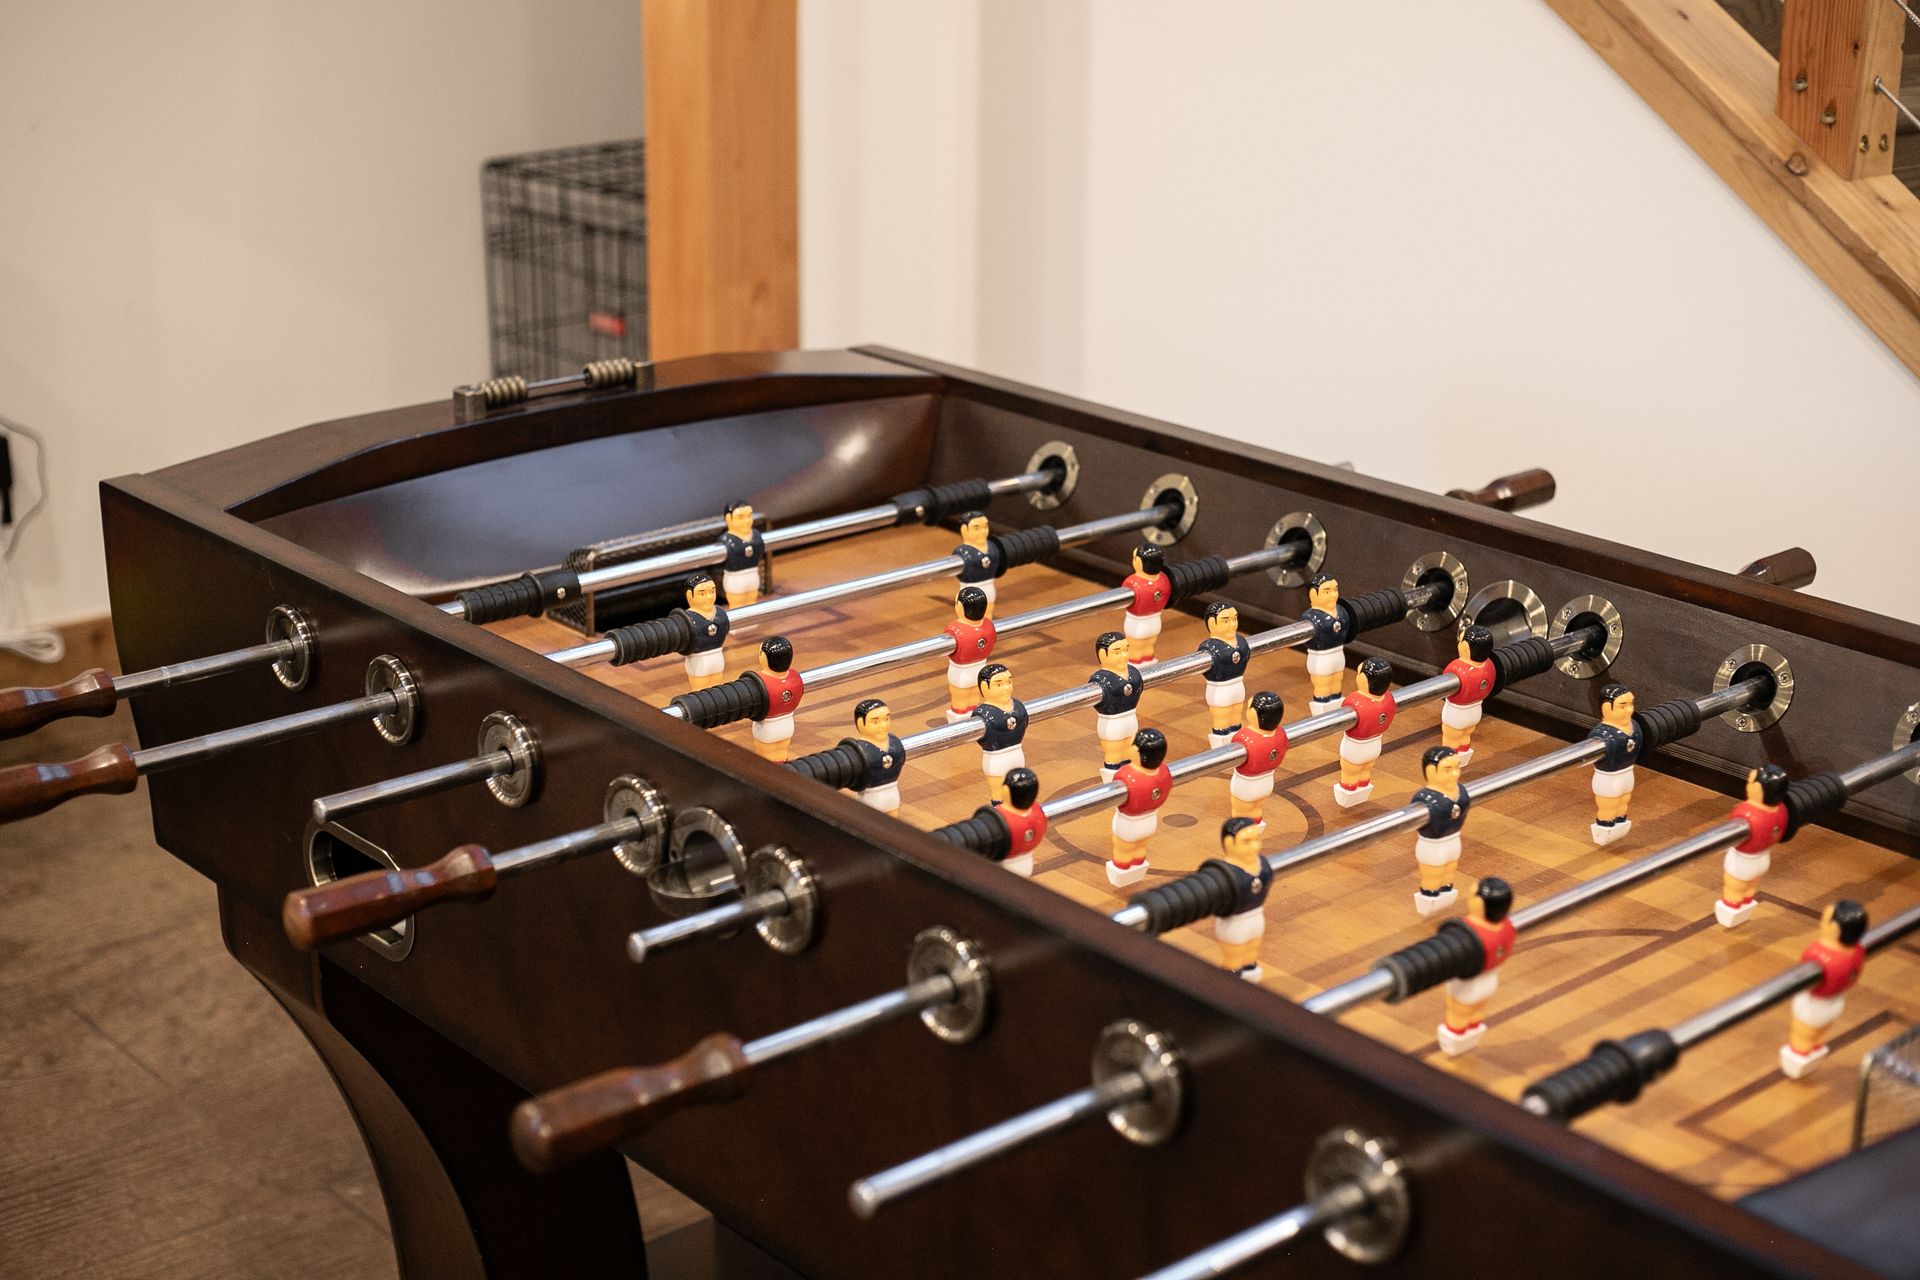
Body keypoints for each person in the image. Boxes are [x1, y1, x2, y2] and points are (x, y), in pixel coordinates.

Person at [1779, 900, 1868, 1078]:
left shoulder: (1817, 953)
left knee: (1802, 1035)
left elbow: (1802, 974)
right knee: (1819, 1035)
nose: (1821, 922)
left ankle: (1797, 1064)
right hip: (1835, 1003)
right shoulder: (1857, 951)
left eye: (1824, 919)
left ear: (1835, 928)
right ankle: (1814, 1051)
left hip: (1813, 1006)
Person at [1437, 877, 1516, 1057]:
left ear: (1480, 903)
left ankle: (1454, 1045)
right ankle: (1469, 1038)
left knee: (1457, 1011)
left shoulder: (1470, 933)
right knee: (1476, 1011)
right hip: (1490, 981)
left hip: (1468, 985)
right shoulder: (1507, 928)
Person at [1715, 764, 1789, 927]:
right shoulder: (1781, 810)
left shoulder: (1747, 812)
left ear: (1757, 788)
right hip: (1763, 860)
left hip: (1742, 862)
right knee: (1750, 886)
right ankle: (1745, 905)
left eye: (1750, 782)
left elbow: (1729, 833)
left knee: (1734, 886)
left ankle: (1730, 910)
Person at [745, 636, 803, 762]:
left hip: (767, 728)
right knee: (783, 754)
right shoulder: (795, 678)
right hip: (787, 725)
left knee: (766, 760)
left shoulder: (760, 680)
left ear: (764, 658)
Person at [943, 586, 996, 723]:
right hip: (980, 668)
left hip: (961, 672)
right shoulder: (989, 626)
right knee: (975, 696)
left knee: (960, 699)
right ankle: (974, 716)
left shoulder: (956, 629)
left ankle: (959, 719)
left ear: (960, 608)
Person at [1119, 544, 1171, 662]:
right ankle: (1149, 661)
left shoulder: (1133, 582)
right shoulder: (1164, 579)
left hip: (1137, 622)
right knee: (1149, 644)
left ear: (1138, 562)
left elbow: (1124, 601)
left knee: (1135, 646)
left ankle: (1135, 664)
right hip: (1155, 621)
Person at [719, 500, 765, 605]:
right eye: (740, 517)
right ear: (728, 519)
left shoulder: (756, 536)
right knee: (737, 605)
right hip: (735, 579)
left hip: (753, 575)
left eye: (749, 516)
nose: (747, 521)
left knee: (752, 603)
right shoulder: (726, 540)